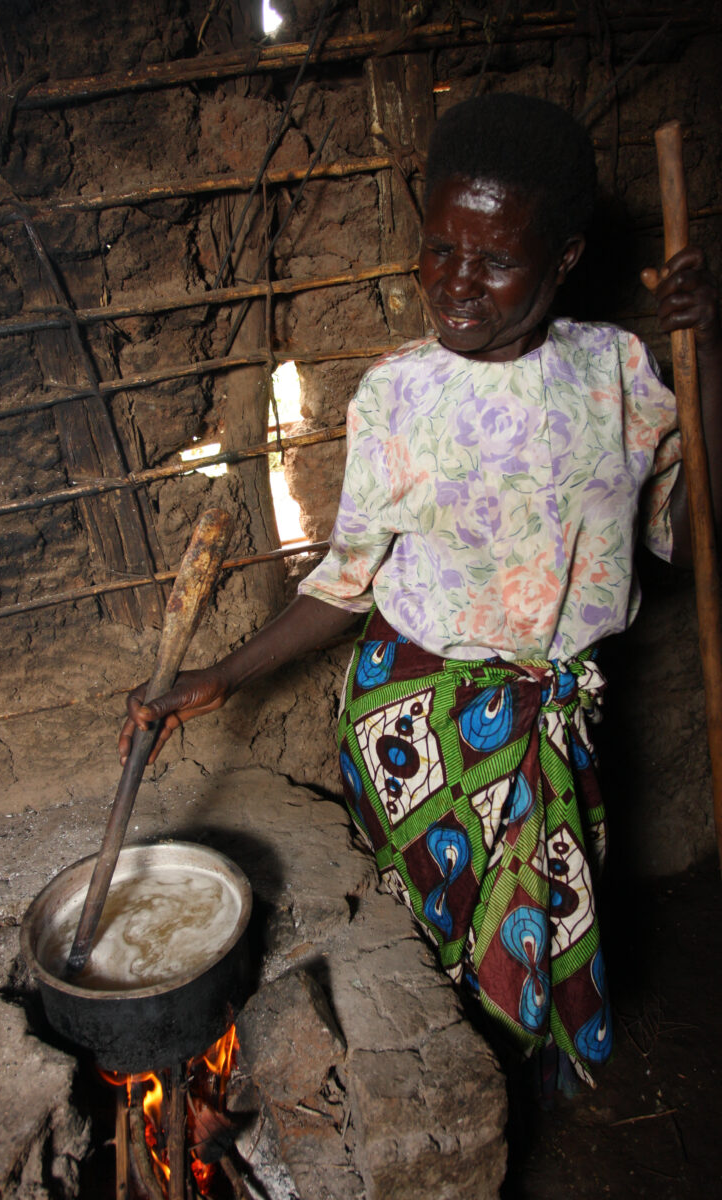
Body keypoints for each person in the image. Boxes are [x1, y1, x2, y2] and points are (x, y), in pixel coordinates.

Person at [119, 94, 722, 1088]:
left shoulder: (619, 377)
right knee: (440, 980)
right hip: (417, 734)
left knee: (533, 947)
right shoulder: (398, 397)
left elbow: (694, 548)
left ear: (563, 259)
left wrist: (710, 367)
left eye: (493, 261)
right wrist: (217, 678)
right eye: (438, 250)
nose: (457, 287)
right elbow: (345, 583)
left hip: (548, 727)